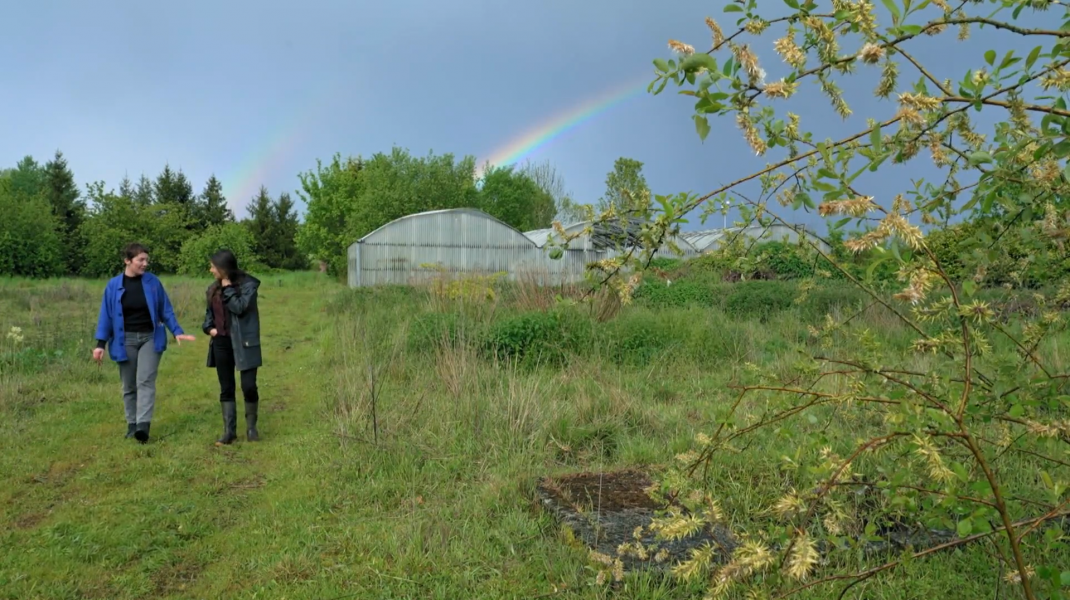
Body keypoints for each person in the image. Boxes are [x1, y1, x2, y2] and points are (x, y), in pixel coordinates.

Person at [93, 243, 196, 443]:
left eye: (146, 260)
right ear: (127, 261)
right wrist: (100, 344)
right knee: (129, 385)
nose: (145, 264)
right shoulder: (113, 285)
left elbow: (165, 309)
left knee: (145, 380)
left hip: (150, 337)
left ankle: (143, 426)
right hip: (125, 341)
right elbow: (106, 315)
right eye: (141, 260)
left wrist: (176, 331)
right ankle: (132, 425)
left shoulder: (152, 282)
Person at [202, 249, 262, 445]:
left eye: (213, 266)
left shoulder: (248, 285)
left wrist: (227, 288)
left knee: (248, 386)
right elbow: (208, 317)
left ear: (223, 268)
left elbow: (240, 307)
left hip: (244, 342)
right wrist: (210, 329)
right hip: (221, 343)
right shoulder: (212, 288)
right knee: (226, 387)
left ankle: (252, 428)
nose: (211, 269)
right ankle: (230, 432)